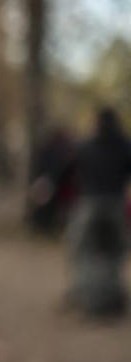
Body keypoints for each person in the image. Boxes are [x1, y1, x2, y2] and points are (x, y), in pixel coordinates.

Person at [65, 108, 131, 318]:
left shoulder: (85, 146)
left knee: (83, 250)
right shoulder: (125, 146)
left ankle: (87, 296)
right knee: (115, 252)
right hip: (115, 204)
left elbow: (68, 170)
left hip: (89, 204)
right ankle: (112, 296)